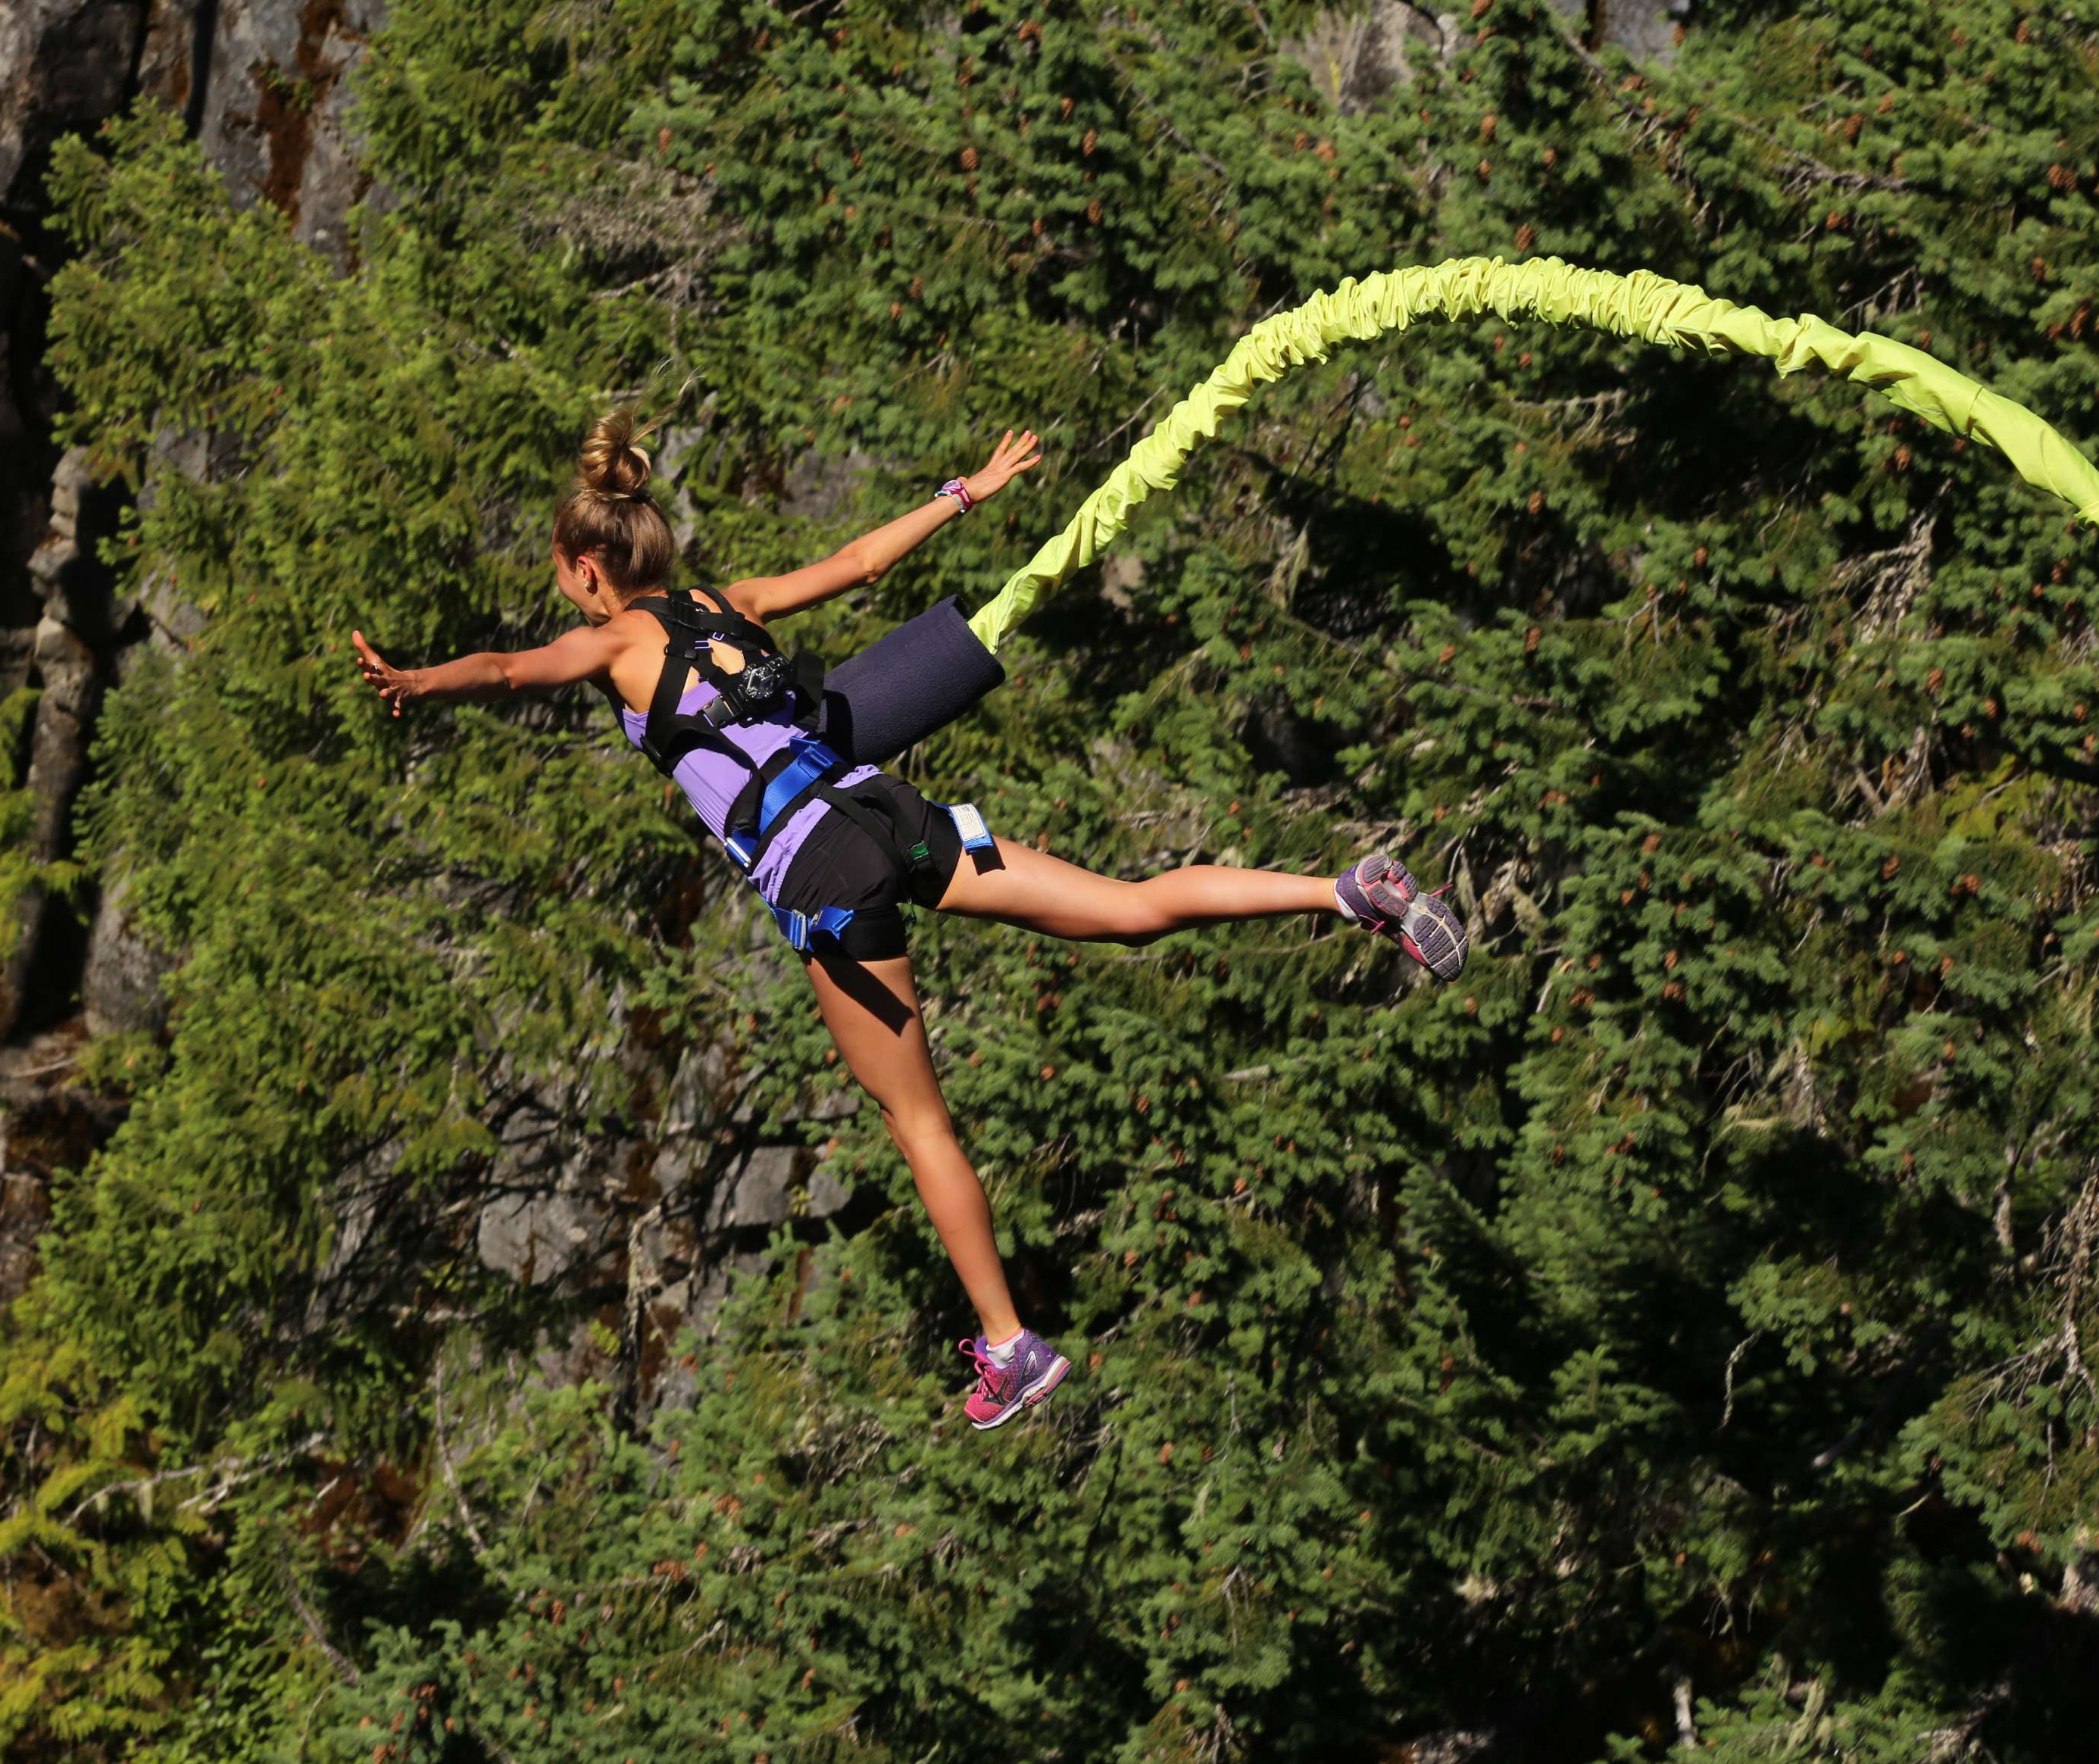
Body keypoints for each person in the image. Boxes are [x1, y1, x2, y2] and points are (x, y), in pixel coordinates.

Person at [351, 411, 1469, 1431]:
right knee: (1129, 908)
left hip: (825, 866)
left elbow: (508, 668)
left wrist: (416, 681)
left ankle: (1009, 1343)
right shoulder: (725, 602)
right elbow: (856, 563)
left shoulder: (615, 646)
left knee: (917, 1123)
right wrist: (969, 486)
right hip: (889, 809)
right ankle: (1343, 892)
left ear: (585, 569)